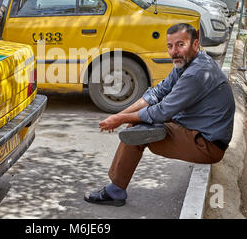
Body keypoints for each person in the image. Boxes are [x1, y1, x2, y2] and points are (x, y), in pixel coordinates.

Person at [84, 23, 235, 206]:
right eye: (170, 46)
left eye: (180, 45)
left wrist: (121, 119)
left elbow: (161, 111)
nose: (174, 52)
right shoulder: (188, 63)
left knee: (137, 131)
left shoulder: (196, 73)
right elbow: (156, 94)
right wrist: (118, 116)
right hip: (196, 129)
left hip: (207, 145)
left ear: (195, 45)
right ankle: (116, 188)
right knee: (138, 121)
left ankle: (115, 191)